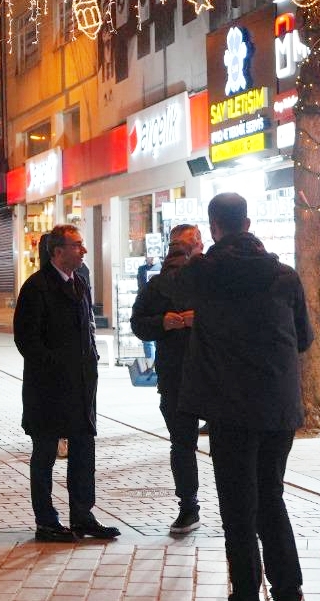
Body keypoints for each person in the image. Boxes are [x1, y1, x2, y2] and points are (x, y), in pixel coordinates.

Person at [170, 194, 311, 601]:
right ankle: (288, 587)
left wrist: (187, 253)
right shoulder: (284, 275)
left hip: (228, 406)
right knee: (271, 496)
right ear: (247, 223)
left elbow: (172, 291)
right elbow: (303, 337)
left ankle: (246, 589)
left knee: (236, 504)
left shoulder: (204, 274)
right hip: (276, 405)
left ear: (214, 228)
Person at [13, 224, 120, 543]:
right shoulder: (36, 287)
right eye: (77, 245)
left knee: (84, 449)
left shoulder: (80, 282)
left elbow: (86, 327)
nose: (83, 250)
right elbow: (26, 340)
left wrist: (92, 359)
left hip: (82, 384)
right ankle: (46, 521)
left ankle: (82, 516)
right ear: (57, 252)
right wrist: (54, 365)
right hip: (48, 388)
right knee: (44, 453)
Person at [129, 223, 203, 535]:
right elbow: (138, 323)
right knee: (184, 444)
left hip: (203, 373)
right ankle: (190, 505)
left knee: (187, 444)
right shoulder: (158, 285)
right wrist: (164, 323)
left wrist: (201, 319)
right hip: (183, 374)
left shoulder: (205, 278)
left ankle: (198, 507)